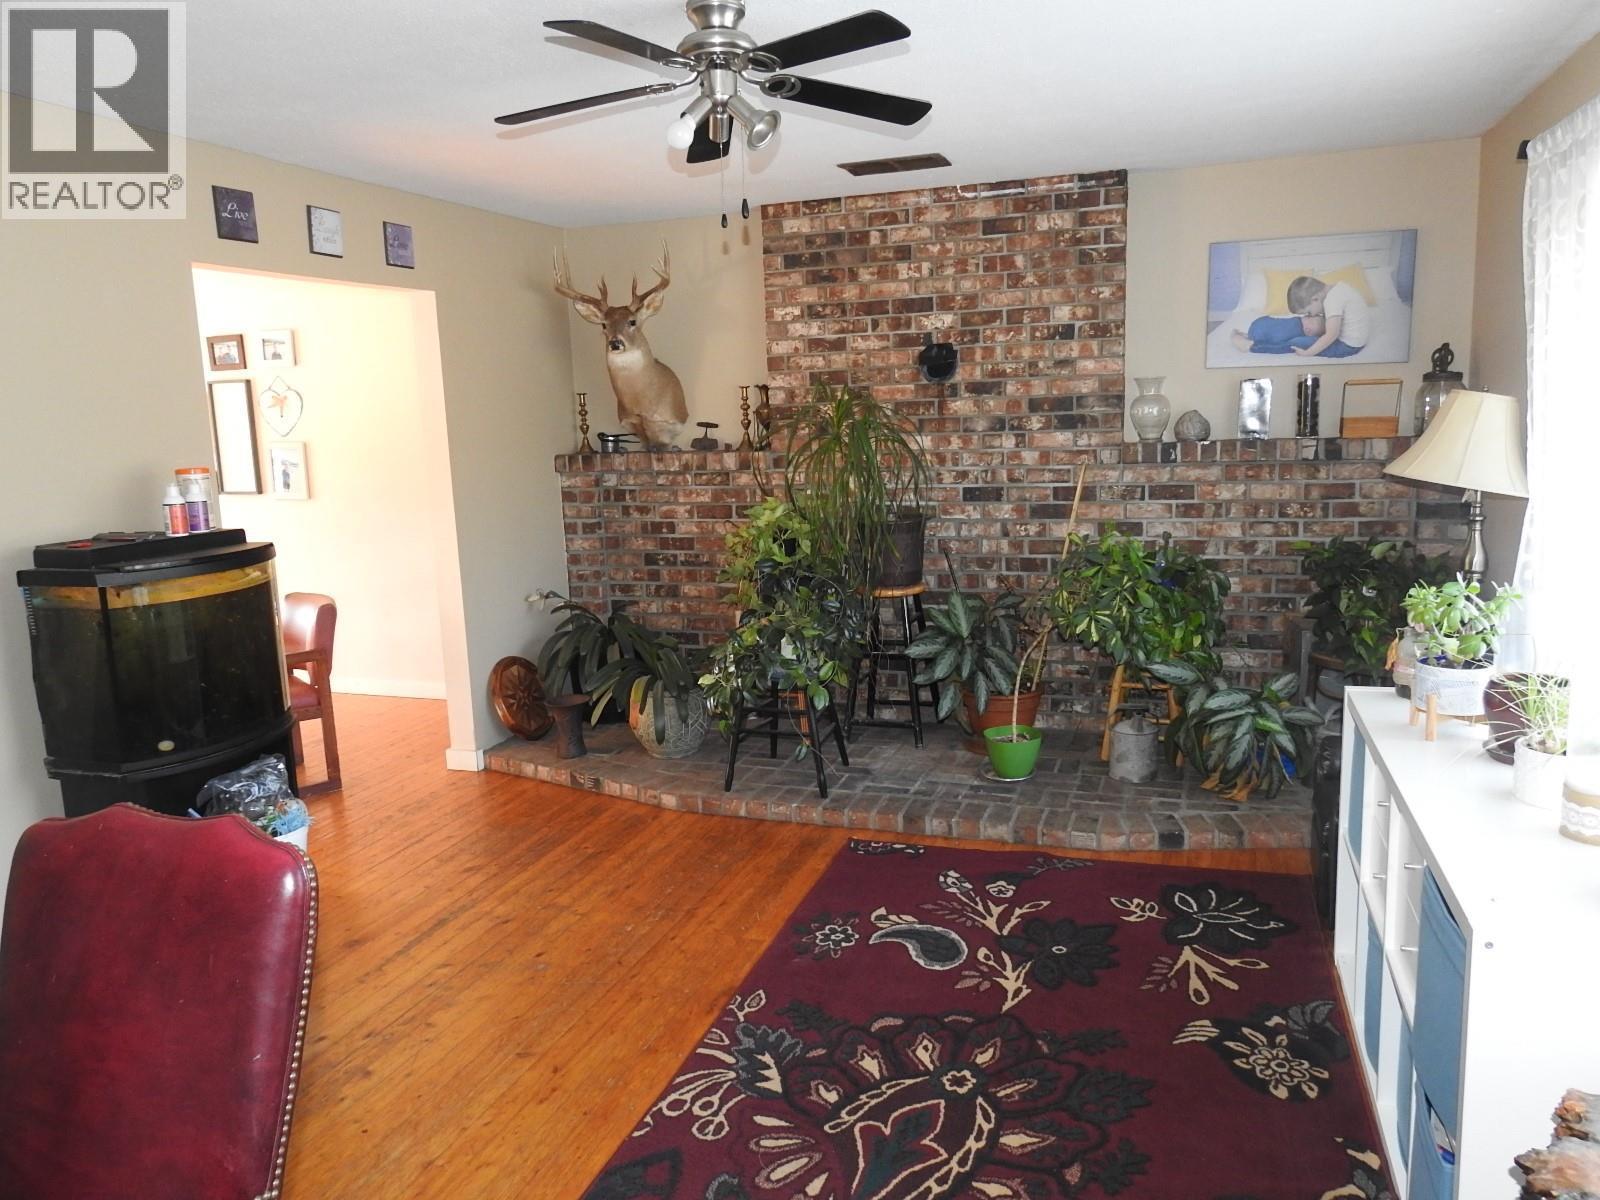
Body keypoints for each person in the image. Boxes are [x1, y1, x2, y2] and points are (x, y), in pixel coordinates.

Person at [1230, 274, 1371, 358]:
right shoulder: (1339, 288)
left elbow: (1331, 335)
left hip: (1347, 346)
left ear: (1315, 299)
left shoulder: (1332, 300)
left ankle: (1251, 346)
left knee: (1298, 342)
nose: (1312, 315)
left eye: (1309, 312)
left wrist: (1308, 353)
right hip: (1354, 340)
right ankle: (1255, 336)